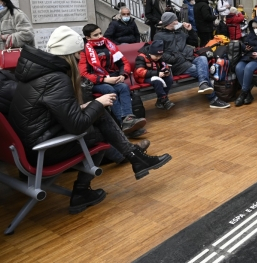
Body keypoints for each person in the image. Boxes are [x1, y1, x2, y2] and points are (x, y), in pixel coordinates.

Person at [9, 27, 171, 213]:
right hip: (41, 151)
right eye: (78, 54)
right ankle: (85, 188)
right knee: (100, 131)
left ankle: (133, 157)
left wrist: (85, 107)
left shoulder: (37, 74)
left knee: (97, 112)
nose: (80, 58)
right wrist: (98, 103)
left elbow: (46, 112)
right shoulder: (56, 79)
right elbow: (77, 125)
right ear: (72, 55)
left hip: (29, 143)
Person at [78, 24, 146, 132]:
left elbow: (123, 62)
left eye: (100, 33)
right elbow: (84, 74)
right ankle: (122, 124)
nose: (100, 36)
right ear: (88, 38)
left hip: (113, 78)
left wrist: (123, 74)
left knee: (123, 87)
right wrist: (104, 79)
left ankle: (128, 118)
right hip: (96, 83)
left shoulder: (109, 45)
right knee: (110, 90)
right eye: (96, 35)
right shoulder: (84, 51)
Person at [154, 12, 230, 108]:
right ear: (169, 23)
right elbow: (160, 54)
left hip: (189, 57)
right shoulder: (159, 36)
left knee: (202, 58)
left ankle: (203, 85)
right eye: (175, 20)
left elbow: (194, 42)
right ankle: (213, 99)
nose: (178, 22)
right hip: (178, 64)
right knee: (202, 71)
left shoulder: (180, 32)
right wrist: (175, 58)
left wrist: (190, 30)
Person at [134, 40, 174, 110]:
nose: (158, 57)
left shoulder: (160, 57)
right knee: (157, 81)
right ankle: (164, 99)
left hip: (156, 75)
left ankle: (160, 100)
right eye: (156, 56)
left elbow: (165, 66)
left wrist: (166, 71)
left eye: (160, 56)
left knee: (169, 79)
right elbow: (139, 72)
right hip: (143, 77)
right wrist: (157, 73)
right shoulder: (141, 57)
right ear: (150, 53)